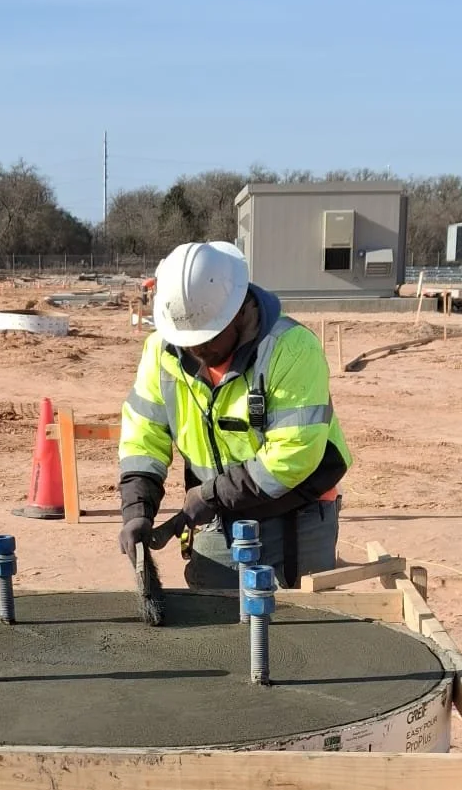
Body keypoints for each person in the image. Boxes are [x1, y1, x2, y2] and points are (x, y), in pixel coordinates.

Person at [117, 240, 351, 589]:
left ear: (239, 310)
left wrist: (211, 495)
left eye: (209, 336)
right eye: (188, 340)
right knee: (215, 623)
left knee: (300, 630)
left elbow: (294, 453)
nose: (198, 349)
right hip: (220, 514)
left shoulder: (291, 349)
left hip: (298, 513)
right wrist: (137, 509)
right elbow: (143, 437)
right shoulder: (161, 353)